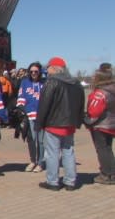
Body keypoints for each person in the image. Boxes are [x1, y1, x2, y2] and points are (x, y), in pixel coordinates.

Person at [36, 56, 85, 191]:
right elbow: (81, 103)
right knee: (68, 152)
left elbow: (44, 104)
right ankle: (70, 181)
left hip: (53, 123)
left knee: (52, 153)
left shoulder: (51, 82)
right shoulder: (76, 83)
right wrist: (78, 121)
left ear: (54, 68)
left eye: (49, 67)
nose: (47, 70)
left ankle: (53, 181)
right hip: (69, 124)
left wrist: (39, 124)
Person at [86, 66, 115, 184]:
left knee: (102, 149)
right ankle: (110, 171)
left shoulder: (100, 93)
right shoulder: (112, 90)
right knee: (108, 149)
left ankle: (108, 173)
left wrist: (87, 119)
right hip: (111, 124)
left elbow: (94, 111)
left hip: (101, 125)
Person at [16, 62, 45, 172]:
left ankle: (41, 163)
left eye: (36, 71)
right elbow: (21, 97)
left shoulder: (44, 83)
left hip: (41, 116)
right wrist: (21, 109)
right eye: (31, 71)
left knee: (41, 140)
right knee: (31, 139)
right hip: (29, 115)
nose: (33, 73)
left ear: (39, 72)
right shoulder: (25, 82)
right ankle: (33, 161)